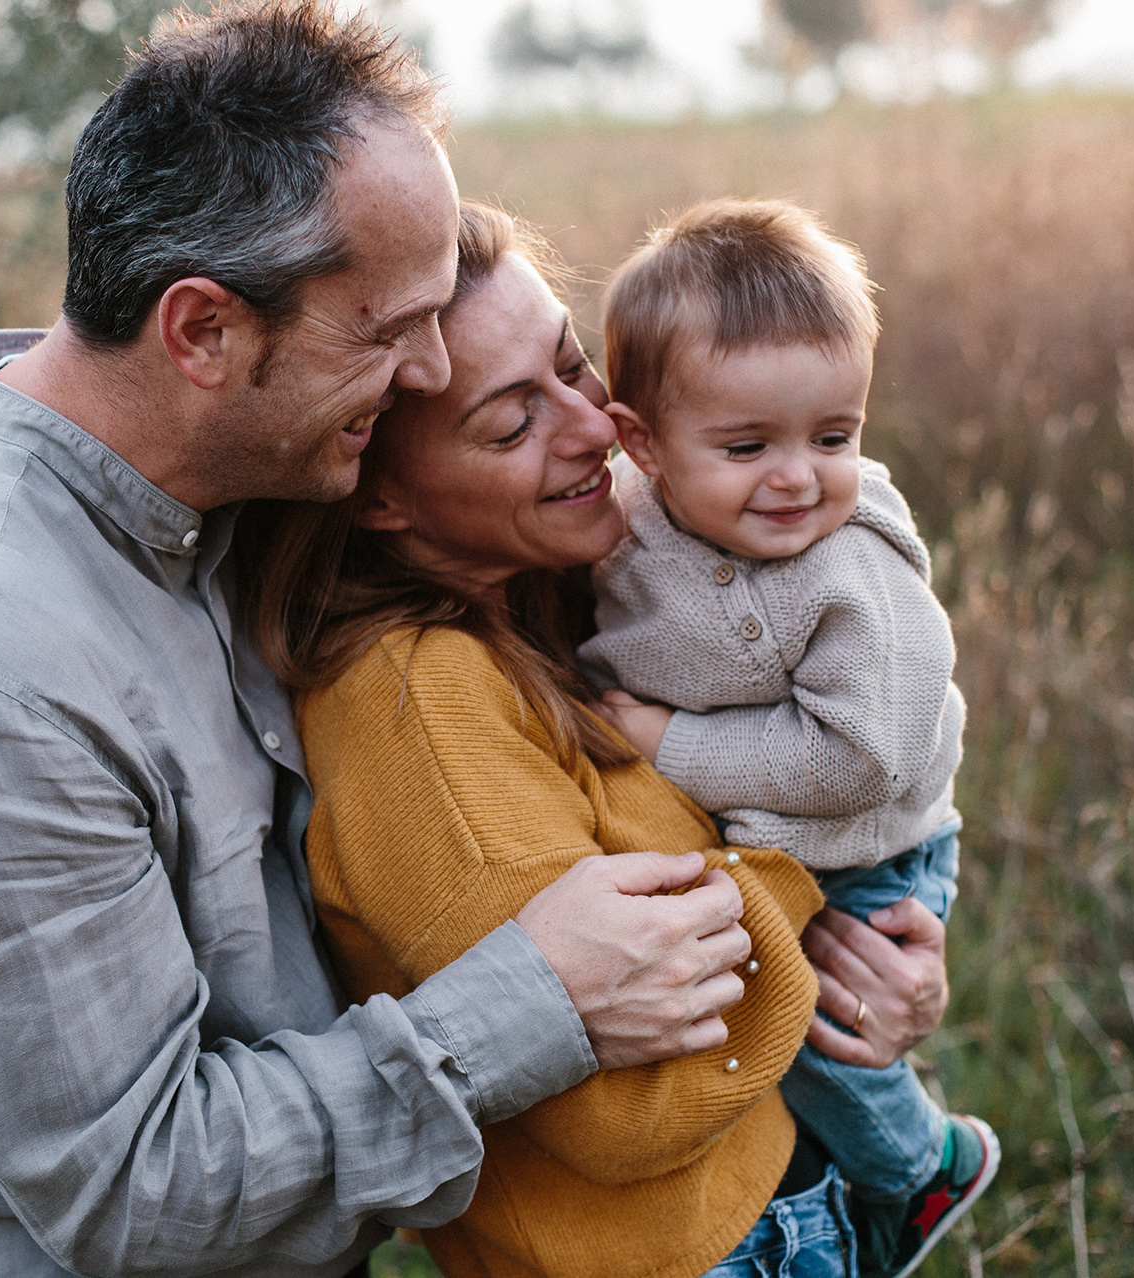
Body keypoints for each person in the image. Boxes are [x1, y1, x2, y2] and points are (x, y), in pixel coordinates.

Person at [0, 8, 777, 1276]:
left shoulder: (224, 492)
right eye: (389, 330)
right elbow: (142, 1194)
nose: (428, 373)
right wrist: (533, 1000)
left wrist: (862, 899)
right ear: (202, 332)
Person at [248, 203, 954, 1278]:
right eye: (510, 424)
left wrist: (884, 978)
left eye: (573, 370)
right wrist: (812, 919)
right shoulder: (420, 711)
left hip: (767, 1198)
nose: (595, 431)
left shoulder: (584, 580)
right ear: (381, 496)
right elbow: (625, 1105)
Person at [578, 199, 997, 1278]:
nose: (799, 477)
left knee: (812, 1028)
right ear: (641, 444)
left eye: (835, 436)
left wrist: (670, 744)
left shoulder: (853, 572)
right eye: (748, 445)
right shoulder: (621, 515)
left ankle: (923, 1168)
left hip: (872, 845)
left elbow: (865, 756)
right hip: (774, 843)